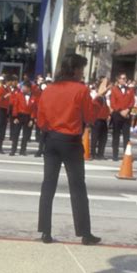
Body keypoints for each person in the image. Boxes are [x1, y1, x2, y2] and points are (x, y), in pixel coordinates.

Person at [36, 53, 109, 245]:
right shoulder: (80, 89)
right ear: (75, 70)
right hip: (70, 141)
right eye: (81, 69)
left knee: (48, 185)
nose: (82, 73)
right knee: (77, 187)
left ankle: (45, 231)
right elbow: (90, 117)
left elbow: (41, 119)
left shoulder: (49, 89)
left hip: (51, 139)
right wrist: (99, 98)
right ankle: (85, 233)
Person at [109, 73, 135, 161]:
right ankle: (115, 155)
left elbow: (132, 101)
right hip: (117, 114)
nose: (124, 80)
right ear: (118, 80)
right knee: (116, 135)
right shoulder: (114, 89)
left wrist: (127, 110)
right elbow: (113, 103)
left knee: (126, 136)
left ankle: (127, 155)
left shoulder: (130, 90)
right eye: (122, 78)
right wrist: (120, 111)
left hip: (127, 114)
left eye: (125, 78)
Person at [9, 80, 36, 156]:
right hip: (19, 116)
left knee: (26, 135)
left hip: (27, 117)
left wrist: (32, 119)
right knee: (16, 134)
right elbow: (15, 107)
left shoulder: (33, 97)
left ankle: (23, 150)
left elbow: (34, 109)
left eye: (24, 87)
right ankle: (13, 150)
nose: (22, 88)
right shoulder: (19, 95)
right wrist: (15, 117)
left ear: (28, 88)